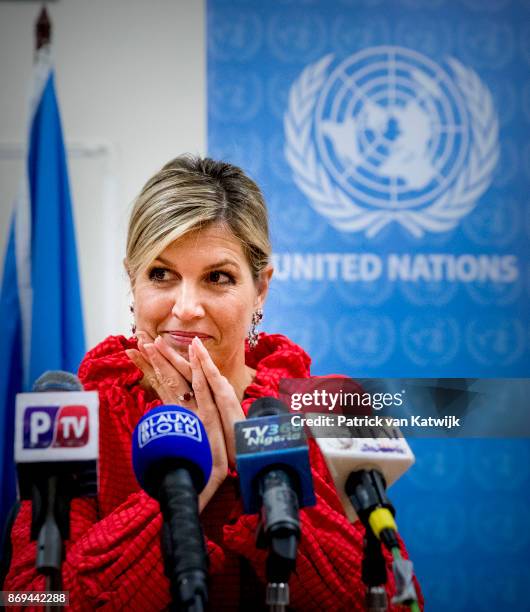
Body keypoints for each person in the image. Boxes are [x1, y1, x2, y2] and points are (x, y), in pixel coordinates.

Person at [5, 155, 422, 610]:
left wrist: (258, 466)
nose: (185, 307)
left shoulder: (332, 407)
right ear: (133, 279)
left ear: (260, 288)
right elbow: (24, 599)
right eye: (161, 274)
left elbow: (400, 602)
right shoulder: (81, 414)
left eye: (217, 277)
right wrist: (179, 496)